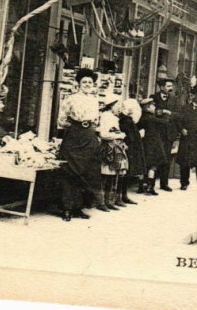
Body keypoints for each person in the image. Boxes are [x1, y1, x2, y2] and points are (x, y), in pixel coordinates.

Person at [57, 68, 105, 221]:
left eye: (90, 82)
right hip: (74, 135)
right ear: (78, 84)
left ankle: (79, 207)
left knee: (86, 171)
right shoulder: (71, 99)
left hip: (89, 135)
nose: (87, 84)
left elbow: (96, 120)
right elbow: (61, 120)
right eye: (84, 82)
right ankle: (67, 209)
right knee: (71, 171)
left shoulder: (94, 100)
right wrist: (74, 127)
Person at [150, 76, 179, 192]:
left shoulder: (174, 100)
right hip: (156, 133)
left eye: (171, 86)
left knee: (166, 159)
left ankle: (164, 183)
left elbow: (179, 115)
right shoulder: (154, 98)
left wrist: (169, 112)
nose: (170, 88)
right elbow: (149, 113)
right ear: (161, 87)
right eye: (168, 86)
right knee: (154, 158)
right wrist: (158, 112)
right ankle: (150, 184)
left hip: (169, 134)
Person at [98, 98, 128, 210]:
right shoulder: (106, 116)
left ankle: (109, 201)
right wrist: (119, 136)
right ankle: (102, 202)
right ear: (111, 105)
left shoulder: (113, 117)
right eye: (117, 104)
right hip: (108, 148)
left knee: (112, 174)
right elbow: (104, 134)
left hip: (114, 147)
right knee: (105, 175)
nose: (119, 107)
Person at [138, 98, 170, 195]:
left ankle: (141, 186)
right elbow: (165, 122)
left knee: (144, 165)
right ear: (148, 107)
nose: (154, 107)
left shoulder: (143, 118)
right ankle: (150, 187)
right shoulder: (151, 118)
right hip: (154, 145)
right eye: (153, 105)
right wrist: (166, 113)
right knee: (153, 166)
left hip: (144, 144)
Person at [115, 98, 142, 206]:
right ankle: (121, 196)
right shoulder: (128, 121)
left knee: (124, 173)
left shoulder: (124, 120)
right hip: (129, 149)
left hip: (127, 148)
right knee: (124, 173)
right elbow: (130, 137)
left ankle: (122, 196)